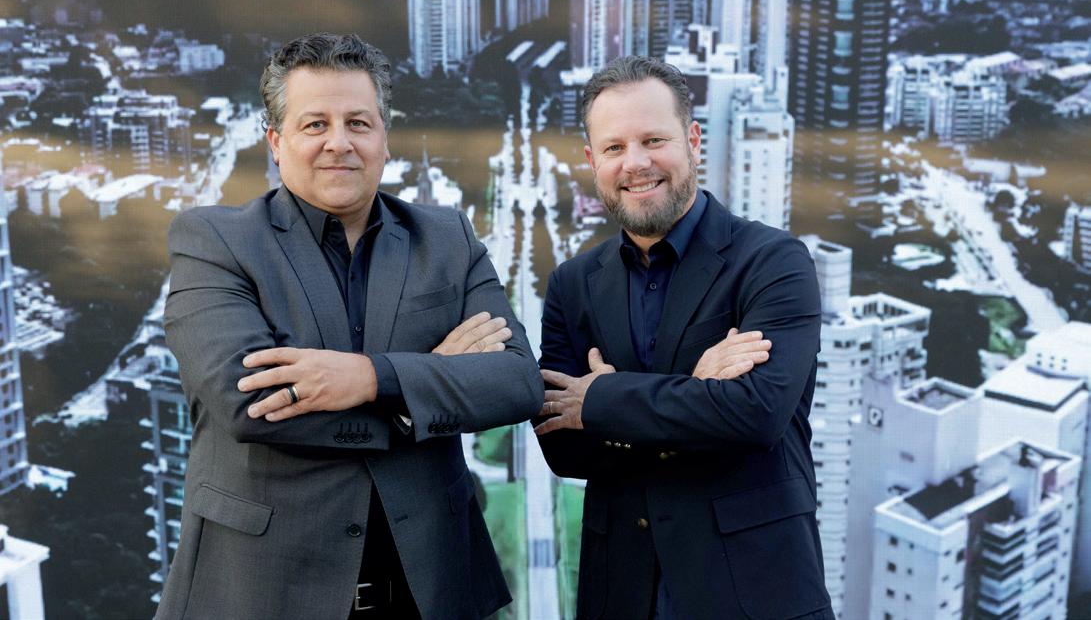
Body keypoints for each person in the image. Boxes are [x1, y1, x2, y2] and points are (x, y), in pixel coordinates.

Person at [156, 33, 542, 620]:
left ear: (384, 137)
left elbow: (516, 382)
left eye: (358, 123)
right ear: (276, 141)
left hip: (428, 592)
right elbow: (249, 403)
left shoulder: (447, 239)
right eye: (315, 124)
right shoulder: (215, 242)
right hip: (264, 596)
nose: (339, 142)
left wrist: (369, 378)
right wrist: (422, 394)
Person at [535, 56, 833, 620]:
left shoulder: (773, 262)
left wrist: (605, 400)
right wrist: (695, 390)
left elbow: (756, 414)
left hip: (753, 592)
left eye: (654, 140)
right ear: (593, 161)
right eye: (615, 147)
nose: (636, 163)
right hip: (622, 594)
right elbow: (562, 444)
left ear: (692, 140)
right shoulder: (573, 285)